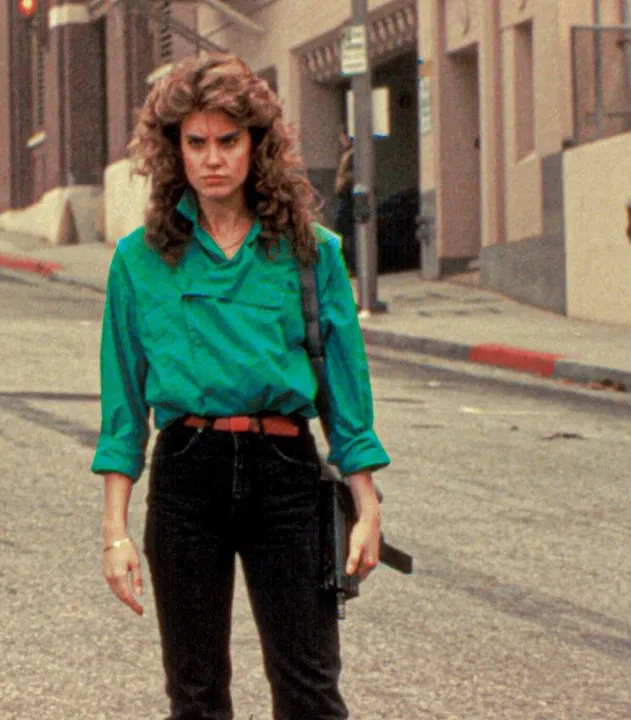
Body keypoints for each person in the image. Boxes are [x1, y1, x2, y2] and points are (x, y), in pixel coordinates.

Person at [92, 53, 390, 720]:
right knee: (195, 694)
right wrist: (115, 531)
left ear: (257, 145)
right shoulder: (138, 260)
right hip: (186, 473)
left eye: (228, 140)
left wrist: (367, 506)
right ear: (174, 150)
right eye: (196, 142)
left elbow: (346, 394)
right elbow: (123, 408)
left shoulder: (313, 252)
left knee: (310, 689)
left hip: (285, 473)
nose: (212, 159)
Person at [332, 130, 356, 270]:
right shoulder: (348, 153)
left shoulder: (352, 154)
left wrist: (344, 182)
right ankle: (348, 262)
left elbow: (351, 174)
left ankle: (349, 262)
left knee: (344, 229)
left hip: (348, 195)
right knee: (345, 230)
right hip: (345, 194)